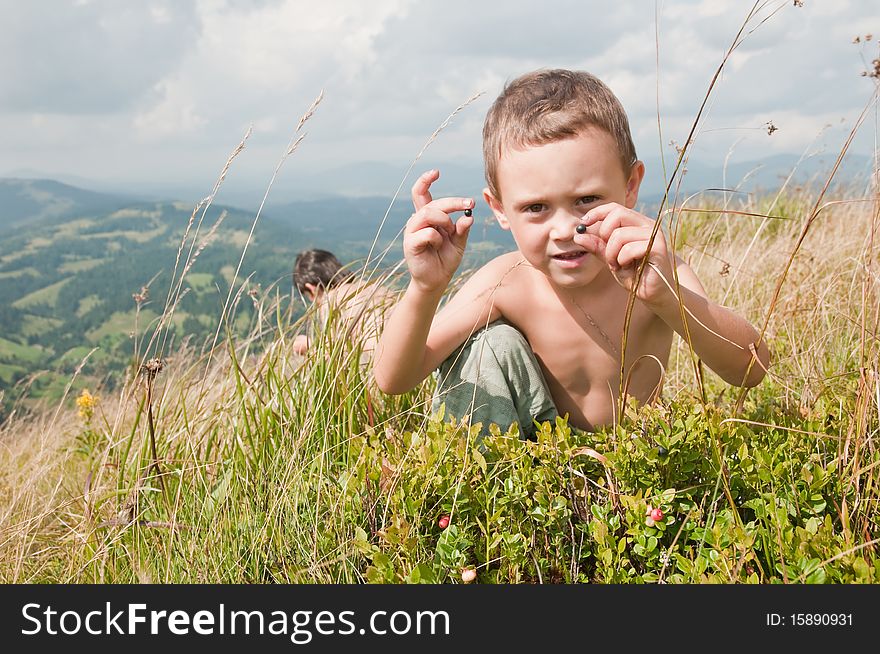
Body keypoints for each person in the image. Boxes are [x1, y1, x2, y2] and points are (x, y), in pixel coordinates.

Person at [372, 69, 771, 439]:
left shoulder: (653, 269)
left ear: (630, 187)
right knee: (490, 347)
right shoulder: (508, 283)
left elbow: (751, 369)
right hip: (535, 470)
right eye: (535, 208)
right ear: (499, 209)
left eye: (586, 200)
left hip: (637, 461)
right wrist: (425, 289)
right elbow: (394, 380)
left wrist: (669, 297)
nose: (564, 230)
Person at [292, 248, 393, 360]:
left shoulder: (331, 302)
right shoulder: (374, 286)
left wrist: (309, 347)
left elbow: (333, 359)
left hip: (383, 362)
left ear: (312, 289)